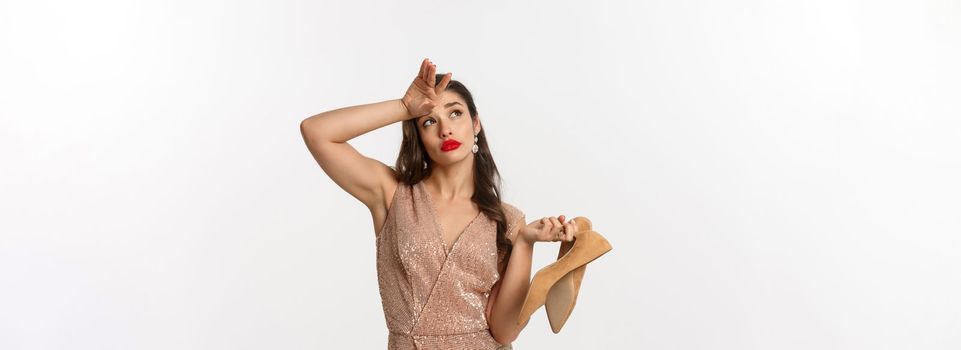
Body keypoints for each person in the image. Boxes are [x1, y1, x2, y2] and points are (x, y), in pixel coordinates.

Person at [300, 58, 575, 349]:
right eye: (429, 121)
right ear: (419, 136)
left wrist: (525, 243)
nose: (445, 129)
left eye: (455, 113)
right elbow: (316, 132)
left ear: (475, 123)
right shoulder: (393, 195)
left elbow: (504, 332)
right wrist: (404, 108)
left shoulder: (506, 219)